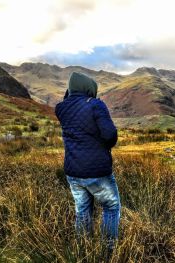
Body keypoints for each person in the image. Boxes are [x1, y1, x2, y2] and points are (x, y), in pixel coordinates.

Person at [55, 72, 121, 260]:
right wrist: (104, 146)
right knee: (111, 207)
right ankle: (107, 252)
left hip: (73, 172)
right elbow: (110, 135)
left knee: (82, 210)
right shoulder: (96, 105)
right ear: (88, 88)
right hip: (97, 171)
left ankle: (83, 250)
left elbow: (68, 104)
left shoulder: (61, 108)